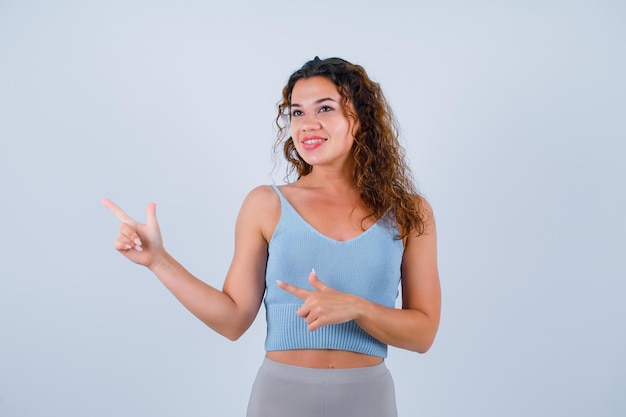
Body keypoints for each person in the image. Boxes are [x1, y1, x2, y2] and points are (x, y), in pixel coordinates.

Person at [103, 56, 440, 417]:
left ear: (360, 119)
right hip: (283, 397)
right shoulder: (266, 205)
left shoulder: (408, 211)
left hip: (368, 399)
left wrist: (357, 308)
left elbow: (423, 334)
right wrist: (158, 260)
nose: (308, 124)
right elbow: (232, 320)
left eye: (324, 108)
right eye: (297, 113)